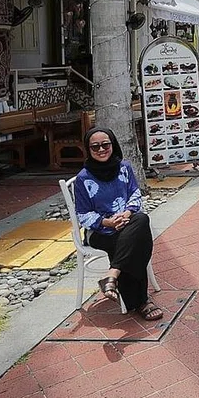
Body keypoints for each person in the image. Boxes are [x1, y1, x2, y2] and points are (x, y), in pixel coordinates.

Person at [74, 127, 162, 320]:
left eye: (105, 144)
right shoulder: (83, 178)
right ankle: (141, 302)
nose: (101, 149)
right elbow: (82, 214)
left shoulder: (124, 167)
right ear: (88, 150)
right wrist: (108, 222)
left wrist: (127, 213)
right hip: (100, 231)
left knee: (140, 219)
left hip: (128, 221)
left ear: (113, 144)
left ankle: (112, 276)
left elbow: (135, 194)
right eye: (94, 146)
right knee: (133, 242)